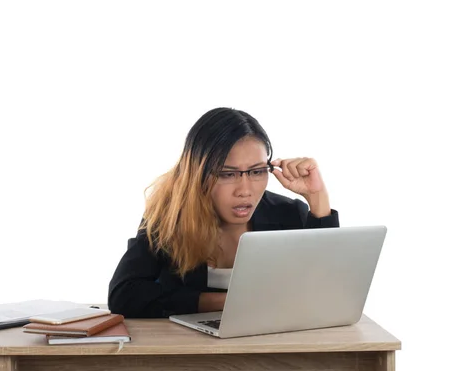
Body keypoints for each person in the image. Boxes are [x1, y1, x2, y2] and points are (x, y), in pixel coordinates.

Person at [107, 107, 339, 318]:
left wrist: (317, 197)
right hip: (190, 349)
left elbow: (330, 293)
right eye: (227, 174)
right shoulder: (169, 217)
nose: (245, 190)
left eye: (257, 171)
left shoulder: (288, 214)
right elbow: (124, 295)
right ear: (198, 174)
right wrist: (225, 302)